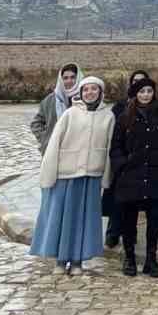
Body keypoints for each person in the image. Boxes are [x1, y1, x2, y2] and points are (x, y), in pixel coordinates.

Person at [30, 76, 114, 275]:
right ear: (81, 93)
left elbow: (109, 147)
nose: (90, 93)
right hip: (66, 174)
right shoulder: (70, 113)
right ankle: (60, 260)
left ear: (100, 92)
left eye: (94, 89)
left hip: (91, 176)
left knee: (83, 220)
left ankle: (77, 260)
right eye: (86, 90)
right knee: (63, 218)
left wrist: (106, 177)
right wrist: (48, 172)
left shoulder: (108, 116)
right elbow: (54, 143)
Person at [109, 76, 158, 278]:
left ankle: (151, 259)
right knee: (129, 220)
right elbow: (115, 147)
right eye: (142, 91)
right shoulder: (125, 118)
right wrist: (122, 163)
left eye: (149, 91)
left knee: (154, 221)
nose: (146, 95)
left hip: (154, 174)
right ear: (135, 94)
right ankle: (129, 258)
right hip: (131, 175)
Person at [30, 63, 83, 153]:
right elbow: (36, 124)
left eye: (73, 77)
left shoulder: (86, 98)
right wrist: (45, 139)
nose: (69, 81)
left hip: (79, 150)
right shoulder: (49, 100)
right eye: (65, 78)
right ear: (61, 80)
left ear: (78, 78)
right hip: (53, 150)